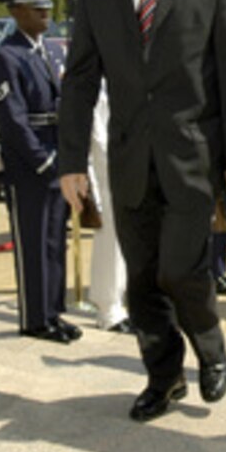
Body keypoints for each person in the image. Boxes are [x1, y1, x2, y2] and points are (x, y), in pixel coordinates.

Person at [58, 0, 226, 423]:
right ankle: (163, 378)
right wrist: (71, 161)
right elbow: (79, 78)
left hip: (194, 157)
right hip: (127, 159)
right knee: (143, 278)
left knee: (182, 269)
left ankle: (211, 346)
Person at [0, 0, 80, 344]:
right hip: (30, 164)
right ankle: (35, 318)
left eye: (48, 9)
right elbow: (11, 119)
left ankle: (53, 312)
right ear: (16, 12)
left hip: (56, 156)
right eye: (38, 10)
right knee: (33, 243)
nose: (46, 15)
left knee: (55, 240)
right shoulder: (6, 57)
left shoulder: (49, 51)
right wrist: (41, 160)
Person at [86, 83, 133, 334]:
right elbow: (97, 137)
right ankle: (108, 308)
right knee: (111, 240)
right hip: (111, 170)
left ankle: (119, 300)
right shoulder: (100, 81)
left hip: (128, 164)